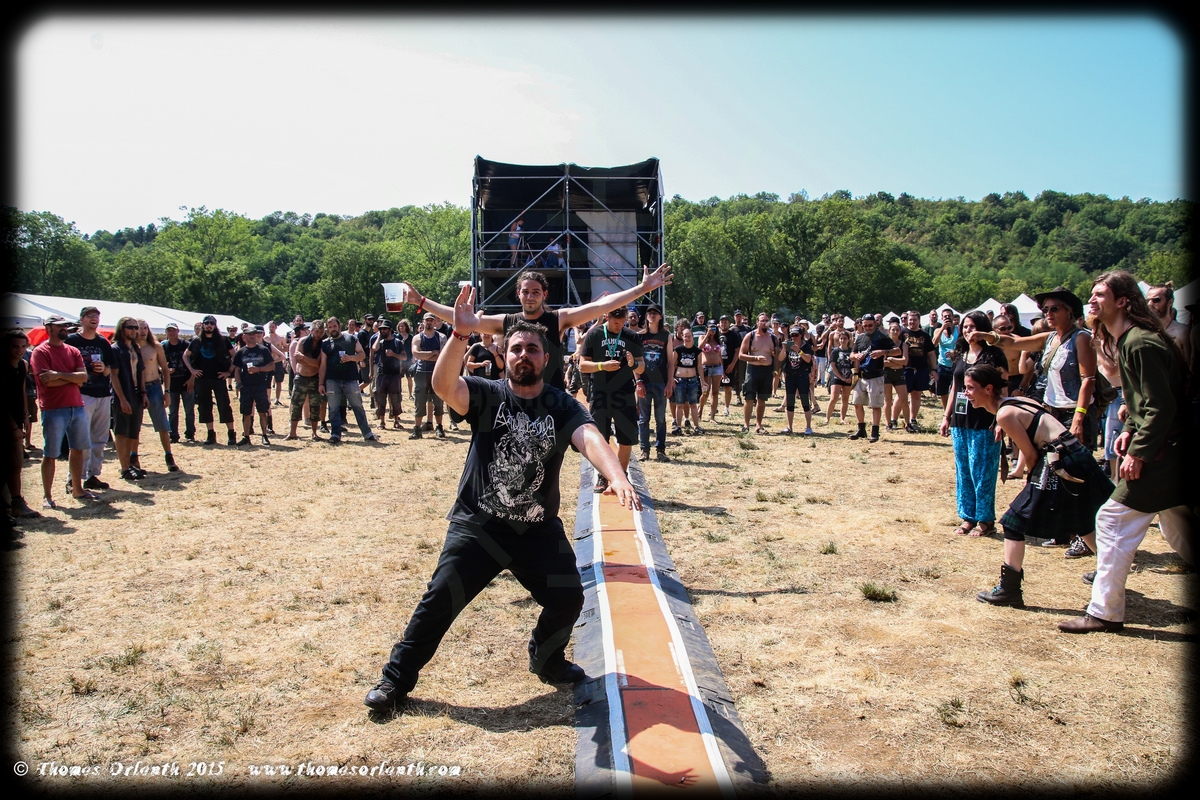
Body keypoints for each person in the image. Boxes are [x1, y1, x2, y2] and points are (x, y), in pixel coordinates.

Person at [362, 290, 640, 712]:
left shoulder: (560, 404)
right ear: (503, 356)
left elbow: (589, 437)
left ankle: (547, 659)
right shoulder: (486, 394)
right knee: (439, 602)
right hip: (479, 527)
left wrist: (616, 475)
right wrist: (460, 334)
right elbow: (443, 385)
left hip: (537, 531)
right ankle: (394, 681)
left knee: (568, 598)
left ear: (545, 358)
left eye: (532, 349)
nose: (524, 355)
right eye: (516, 349)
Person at [1059, 271, 1196, 633]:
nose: (1092, 300)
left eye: (1100, 294)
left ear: (1122, 301)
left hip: (1165, 451)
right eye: (1092, 294)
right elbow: (1144, 403)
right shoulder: (1131, 340)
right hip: (1167, 447)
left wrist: (1139, 451)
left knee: (1112, 520)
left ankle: (1105, 612)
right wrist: (1130, 430)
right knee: (1178, 528)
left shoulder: (1140, 343)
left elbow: (1162, 406)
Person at [394, 264, 672, 392]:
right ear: (518, 294)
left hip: (551, 398)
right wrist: (422, 302)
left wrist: (641, 288)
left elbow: (602, 305)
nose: (530, 296)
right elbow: (461, 319)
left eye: (535, 291)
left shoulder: (559, 319)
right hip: (515, 397)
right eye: (525, 291)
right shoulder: (507, 322)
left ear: (544, 294)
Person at [968, 364, 1114, 607]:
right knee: (1083, 519)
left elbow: (1031, 454)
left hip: (1062, 460)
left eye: (971, 388)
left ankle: (1009, 590)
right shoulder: (1017, 402)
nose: (966, 394)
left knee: (1013, 522)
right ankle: (1110, 574)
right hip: (1077, 455)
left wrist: (1030, 478)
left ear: (988, 388)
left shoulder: (1005, 414)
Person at [939, 311, 1007, 536]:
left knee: (983, 470)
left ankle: (985, 520)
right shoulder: (960, 355)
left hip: (985, 419)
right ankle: (967, 516)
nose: (968, 331)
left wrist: (1002, 419)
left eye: (973, 327)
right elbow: (954, 388)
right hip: (960, 420)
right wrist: (946, 416)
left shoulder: (994, 355)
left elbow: (1004, 389)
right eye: (965, 327)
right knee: (964, 470)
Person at [579, 306, 644, 489]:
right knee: (600, 438)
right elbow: (582, 365)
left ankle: (622, 476)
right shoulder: (595, 334)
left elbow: (641, 367)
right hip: (600, 393)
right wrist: (602, 366)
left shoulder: (631, 335)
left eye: (623, 322)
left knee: (626, 439)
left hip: (624, 393)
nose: (619, 326)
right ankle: (603, 476)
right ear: (607, 317)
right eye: (616, 323)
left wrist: (633, 363)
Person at [30, 316, 93, 507]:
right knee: (50, 454)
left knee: (78, 449)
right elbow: (47, 381)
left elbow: (83, 377)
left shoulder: (73, 351)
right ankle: (47, 497)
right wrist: (72, 379)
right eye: (60, 326)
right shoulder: (40, 352)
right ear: (49, 328)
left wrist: (59, 375)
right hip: (53, 408)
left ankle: (77, 489)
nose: (64, 329)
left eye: (65, 326)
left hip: (76, 406)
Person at [66, 306, 125, 490]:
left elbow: (110, 369)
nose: (94, 319)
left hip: (103, 394)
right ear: (81, 319)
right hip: (82, 394)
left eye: (97, 316)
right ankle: (74, 478)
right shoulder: (71, 340)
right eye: (90, 316)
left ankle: (92, 475)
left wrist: (104, 369)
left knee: (99, 438)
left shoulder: (102, 342)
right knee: (81, 439)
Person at [318, 317, 379, 445]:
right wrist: (321, 383)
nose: (332, 329)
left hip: (350, 379)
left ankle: (367, 433)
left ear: (339, 326)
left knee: (358, 407)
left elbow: (362, 354)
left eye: (334, 326)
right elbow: (322, 365)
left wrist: (351, 358)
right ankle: (335, 434)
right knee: (333, 409)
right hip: (332, 380)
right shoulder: (325, 344)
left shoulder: (350, 339)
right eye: (330, 327)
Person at [184, 315, 238, 446]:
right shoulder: (196, 341)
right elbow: (185, 355)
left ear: (215, 325)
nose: (209, 325)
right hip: (202, 379)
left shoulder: (223, 340)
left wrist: (229, 372)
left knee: (224, 405)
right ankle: (210, 434)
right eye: (207, 323)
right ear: (203, 325)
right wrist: (192, 370)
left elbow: (235, 356)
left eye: (211, 323)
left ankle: (231, 434)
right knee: (204, 406)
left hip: (218, 378)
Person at [135, 320, 179, 472]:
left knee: (162, 424)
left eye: (145, 328)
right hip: (136, 388)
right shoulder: (131, 347)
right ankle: (134, 457)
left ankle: (169, 455)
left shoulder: (155, 346)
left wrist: (167, 392)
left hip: (153, 386)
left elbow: (165, 369)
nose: (143, 331)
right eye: (139, 328)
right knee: (135, 425)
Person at [848, 314, 900, 442]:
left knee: (875, 405)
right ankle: (861, 429)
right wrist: (856, 356)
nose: (867, 328)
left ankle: (875, 432)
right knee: (857, 403)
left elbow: (898, 351)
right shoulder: (860, 337)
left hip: (876, 376)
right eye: (865, 325)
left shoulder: (882, 337)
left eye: (870, 325)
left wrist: (883, 352)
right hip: (861, 375)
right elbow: (851, 354)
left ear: (875, 324)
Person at [5, 330, 40, 518]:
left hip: (17, 418)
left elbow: (21, 391)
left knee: (16, 463)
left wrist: (25, 415)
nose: (19, 350)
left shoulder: (23, 365)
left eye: (23, 346)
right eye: (15, 346)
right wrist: (13, 427)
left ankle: (16, 503)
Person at [636, 304, 673, 463]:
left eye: (655, 313)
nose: (652, 315)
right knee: (643, 418)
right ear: (646, 317)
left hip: (660, 383)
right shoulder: (639, 336)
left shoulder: (666, 336)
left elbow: (671, 362)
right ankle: (644, 450)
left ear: (660, 317)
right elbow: (635, 361)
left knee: (660, 419)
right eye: (649, 313)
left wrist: (670, 382)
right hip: (644, 382)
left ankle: (660, 450)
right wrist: (638, 381)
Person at [111, 316, 146, 481]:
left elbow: (141, 373)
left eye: (135, 327)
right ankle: (124, 468)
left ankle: (131, 464)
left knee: (134, 432)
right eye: (130, 327)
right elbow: (114, 376)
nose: (134, 330)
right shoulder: (115, 349)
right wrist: (122, 399)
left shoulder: (136, 348)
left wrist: (144, 393)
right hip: (122, 396)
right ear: (122, 329)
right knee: (121, 433)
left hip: (136, 395)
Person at [232, 326, 279, 446]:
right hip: (246, 386)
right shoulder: (241, 352)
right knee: (246, 412)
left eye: (254, 334)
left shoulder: (263, 350)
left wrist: (259, 369)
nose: (252, 336)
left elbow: (271, 366)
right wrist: (239, 383)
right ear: (244, 336)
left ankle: (264, 435)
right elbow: (236, 369)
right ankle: (246, 436)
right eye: (249, 334)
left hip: (260, 385)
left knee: (263, 411)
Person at [738, 312, 781, 434]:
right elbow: (741, 355)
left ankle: (758, 426)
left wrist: (775, 370)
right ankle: (746, 425)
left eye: (766, 320)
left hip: (766, 371)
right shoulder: (750, 336)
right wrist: (755, 358)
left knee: (762, 399)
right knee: (749, 398)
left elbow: (777, 357)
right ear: (757, 322)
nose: (764, 323)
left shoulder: (773, 338)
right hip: (752, 370)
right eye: (762, 320)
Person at [287, 320, 328, 441]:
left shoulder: (323, 345)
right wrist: (311, 361)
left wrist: (304, 358)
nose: (318, 334)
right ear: (311, 330)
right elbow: (297, 359)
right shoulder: (303, 341)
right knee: (296, 405)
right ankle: (292, 433)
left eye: (321, 332)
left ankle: (314, 433)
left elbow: (319, 364)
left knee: (315, 406)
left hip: (315, 378)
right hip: (300, 378)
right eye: (316, 331)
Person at [410, 313, 447, 439]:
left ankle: (439, 427)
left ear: (435, 322)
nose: (429, 322)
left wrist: (425, 355)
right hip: (421, 372)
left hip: (437, 372)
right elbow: (416, 353)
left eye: (431, 320)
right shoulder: (417, 338)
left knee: (438, 401)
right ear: (423, 322)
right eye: (427, 320)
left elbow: (442, 356)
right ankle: (417, 429)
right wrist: (433, 353)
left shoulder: (441, 337)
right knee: (419, 400)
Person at [901, 310, 936, 432]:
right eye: (910, 319)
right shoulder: (902, 332)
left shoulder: (924, 334)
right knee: (902, 395)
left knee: (916, 394)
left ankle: (913, 419)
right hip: (906, 368)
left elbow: (931, 353)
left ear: (919, 321)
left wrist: (934, 369)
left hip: (921, 368)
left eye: (914, 320)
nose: (912, 322)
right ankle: (894, 420)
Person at [161, 322, 196, 445]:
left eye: (173, 330)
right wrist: (164, 370)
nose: (171, 333)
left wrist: (192, 379)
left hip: (187, 382)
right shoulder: (163, 346)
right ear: (166, 332)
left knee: (189, 410)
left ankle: (190, 433)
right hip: (171, 383)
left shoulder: (186, 345)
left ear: (178, 331)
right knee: (173, 411)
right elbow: (159, 365)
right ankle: (173, 435)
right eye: (169, 330)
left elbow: (195, 363)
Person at [371, 319, 407, 430]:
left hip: (394, 374)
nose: (383, 331)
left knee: (395, 398)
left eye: (385, 329)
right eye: (381, 329)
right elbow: (374, 348)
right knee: (380, 398)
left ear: (390, 330)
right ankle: (382, 422)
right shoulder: (380, 342)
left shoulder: (398, 342)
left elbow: (404, 357)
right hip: (382, 374)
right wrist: (379, 335)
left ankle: (396, 421)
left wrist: (393, 354)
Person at [1145, 282, 1192, 366]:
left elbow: (1191, 366)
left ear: (1170, 302)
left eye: (1156, 300)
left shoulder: (1182, 332)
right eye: (1147, 300)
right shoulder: (1144, 332)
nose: (1150, 304)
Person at [781, 325, 815, 435]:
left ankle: (808, 427)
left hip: (802, 375)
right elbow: (780, 358)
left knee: (805, 401)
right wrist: (784, 348)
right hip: (790, 376)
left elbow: (808, 359)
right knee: (790, 401)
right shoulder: (789, 345)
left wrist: (799, 351)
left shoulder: (806, 346)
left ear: (801, 335)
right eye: (792, 335)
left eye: (796, 335)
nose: (794, 337)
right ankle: (789, 427)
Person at [670, 328, 703, 436]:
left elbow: (699, 366)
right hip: (680, 380)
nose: (687, 338)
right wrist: (671, 378)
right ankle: (678, 427)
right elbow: (672, 364)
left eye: (689, 336)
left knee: (693, 404)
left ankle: (696, 426)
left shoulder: (697, 351)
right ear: (682, 337)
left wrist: (703, 381)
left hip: (692, 380)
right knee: (679, 404)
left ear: (692, 337)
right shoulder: (678, 349)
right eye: (685, 336)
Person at [882, 319, 910, 431]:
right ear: (889, 331)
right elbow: (882, 363)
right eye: (893, 329)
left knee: (904, 399)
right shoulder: (884, 345)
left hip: (899, 373)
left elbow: (905, 361)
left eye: (897, 330)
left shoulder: (904, 345)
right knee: (888, 401)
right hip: (887, 373)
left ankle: (908, 424)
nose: (895, 332)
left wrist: (891, 359)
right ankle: (888, 424)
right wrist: (897, 362)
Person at [714, 315, 742, 417]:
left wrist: (733, 364)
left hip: (729, 365)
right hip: (717, 365)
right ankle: (714, 407)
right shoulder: (715, 335)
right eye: (722, 322)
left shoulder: (734, 335)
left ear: (729, 323)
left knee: (727, 387)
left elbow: (737, 351)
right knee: (715, 388)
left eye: (725, 322)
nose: (723, 324)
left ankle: (726, 408)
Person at [933, 308, 959, 410]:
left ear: (953, 317)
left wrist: (955, 352)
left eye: (949, 316)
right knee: (943, 392)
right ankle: (946, 413)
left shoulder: (959, 329)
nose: (947, 318)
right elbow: (934, 344)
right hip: (942, 365)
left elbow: (964, 345)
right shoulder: (937, 330)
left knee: (956, 390)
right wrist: (942, 329)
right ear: (942, 318)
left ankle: (955, 411)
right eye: (945, 316)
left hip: (956, 364)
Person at [825, 329, 853, 424]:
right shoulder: (835, 351)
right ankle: (827, 419)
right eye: (841, 338)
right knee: (834, 398)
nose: (843, 340)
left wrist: (850, 377)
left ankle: (842, 419)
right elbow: (832, 365)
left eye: (845, 338)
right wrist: (841, 378)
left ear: (848, 339)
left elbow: (854, 365)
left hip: (848, 377)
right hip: (837, 377)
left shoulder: (851, 351)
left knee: (845, 399)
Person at [697, 326, 723, 424]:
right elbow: (699, 348)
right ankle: (700, 409)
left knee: (715, 392)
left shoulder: (718, 340)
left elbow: (720, 355)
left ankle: (712, 417)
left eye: (714, 328)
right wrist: (707, 335)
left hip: (717, 367)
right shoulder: (702, 337)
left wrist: (723, 370)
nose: (712, 330)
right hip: (706, 368)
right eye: (710, 328)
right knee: (705, 392)